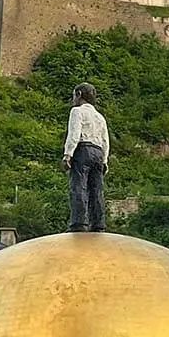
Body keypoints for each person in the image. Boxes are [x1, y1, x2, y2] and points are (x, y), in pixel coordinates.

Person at [63, 82, 110, 232]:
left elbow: (74, 134)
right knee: (96, 190)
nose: (73, 100)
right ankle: (98, 224)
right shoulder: (100, 117)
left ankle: (79, 222)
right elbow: (105, 141)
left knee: (78, 186)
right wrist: (105, 160)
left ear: (79, 95)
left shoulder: (77, 111)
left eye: (73, 96)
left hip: (83, 149)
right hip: (98, 152)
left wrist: (68, 154)